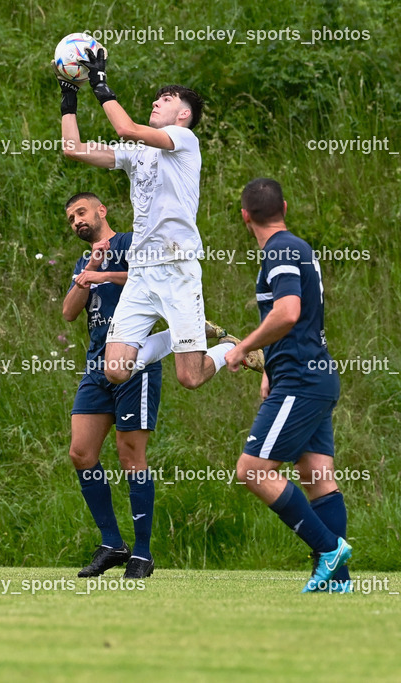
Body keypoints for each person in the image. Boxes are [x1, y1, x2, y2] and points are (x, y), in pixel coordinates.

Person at [57, 46, 263, 389]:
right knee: (116, 370)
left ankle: (228, 346)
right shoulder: (136, 153)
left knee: (190, 377)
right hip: (140, 271)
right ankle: (178, 335)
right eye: (157, 98)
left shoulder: (185, 140)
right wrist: (69, 96)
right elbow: (72, 149)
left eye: (166, 99)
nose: (157, 101)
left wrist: (99, 81)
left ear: (183, 115)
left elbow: (125, 128)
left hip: (177, 267)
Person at [226, 178, 351, 593]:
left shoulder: (278, 250)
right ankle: (339, 582)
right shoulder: (298, 247)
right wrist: (268, 368)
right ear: (285, 205)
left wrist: (243, 347)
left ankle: (329, 550)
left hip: (300, 379)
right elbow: (301, 318)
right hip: (312, 376)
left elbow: (288, 313)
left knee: (253, 471)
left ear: (245, 216)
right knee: (317, 475)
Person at [62, 192, 168, 579]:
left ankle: (142, 552)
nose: (77, 221)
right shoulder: (83, 260)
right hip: (95, 367)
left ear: (101, 210)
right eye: (71, 218)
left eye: (81, 212)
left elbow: (152, 282)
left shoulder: (128, 243)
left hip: (135, 364)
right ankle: (112, 543)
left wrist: (104, 273)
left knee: (130, 456)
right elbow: (69, 311)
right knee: (80, 452)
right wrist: (89, 270)